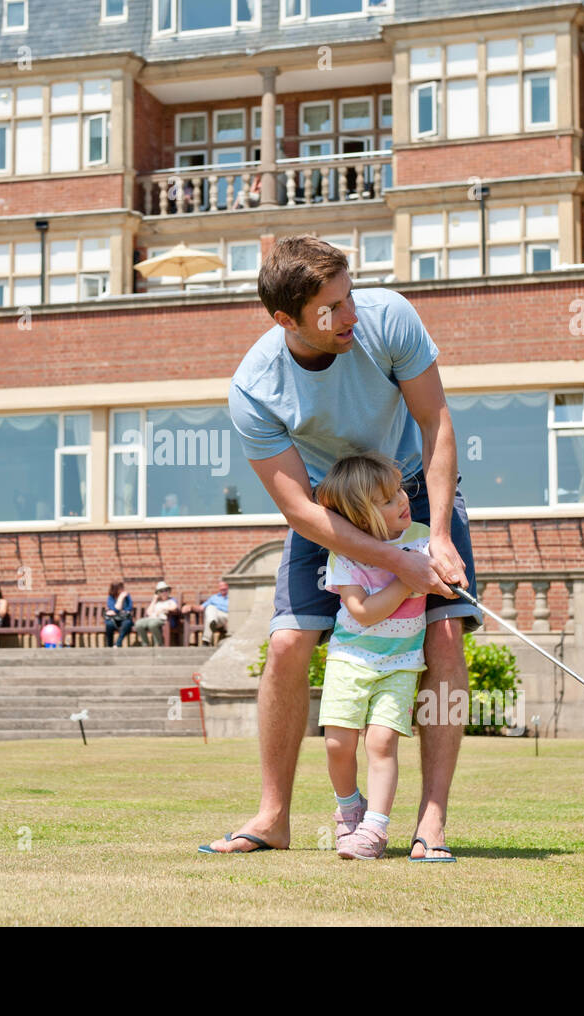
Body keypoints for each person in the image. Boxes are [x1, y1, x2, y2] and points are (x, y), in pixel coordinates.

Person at [200, 234, 480, 859]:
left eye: (349, 295)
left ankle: (430, 823)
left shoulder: (390, 319)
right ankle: (274, 816)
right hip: (331, 506)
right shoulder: (255, 388)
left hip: (412, 485)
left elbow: (435, 423)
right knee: (289, 641)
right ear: (285, 320)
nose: (351, 314)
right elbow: (299, 508)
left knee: (443, 636)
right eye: (331, 308)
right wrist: (392, 561)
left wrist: (432, 536)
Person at [314, 452, 432, 861]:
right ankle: (349, 812)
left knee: (381, 743)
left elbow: (446, 577)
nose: (402, 500)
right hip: (351, 657)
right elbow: (361, 613)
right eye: (385, 500)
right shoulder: (345, 553)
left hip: (401, 662)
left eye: (398, 490)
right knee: (336, 743)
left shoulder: (422, 537)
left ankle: (375, 829)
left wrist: (446, 574)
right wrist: (406, 578)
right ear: (361, 520)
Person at [183, 581, 229, 646]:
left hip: (226, 616)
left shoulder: (232, 596)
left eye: (224, 586)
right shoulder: (214, 597)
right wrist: (191, 606)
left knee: (209, 619)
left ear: (228, 586)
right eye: (221, 586)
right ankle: (212, 623)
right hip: (215, 616)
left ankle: (206, 641)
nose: (222, 588)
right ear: (218, 588)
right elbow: (201, 608)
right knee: (210, 607)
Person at [135, 582, 179, 646]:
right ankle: (145, 643)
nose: (164, 592)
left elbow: (174, 607)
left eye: (166, 590)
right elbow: (149, 612)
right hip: (152, 618)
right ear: (158, 593)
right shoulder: (156, 601)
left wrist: (164, 609)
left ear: (169, 591)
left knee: (152, 624)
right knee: (138, 623)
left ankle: (159, 643)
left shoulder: (171, 600)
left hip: (163, 619)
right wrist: (154, 599)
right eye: (161, 591)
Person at [103, 581, 134, 648]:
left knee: (127, 623)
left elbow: (129, 608)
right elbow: (115, 609)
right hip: (113, 619)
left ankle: (118, 643)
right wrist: (120, 598)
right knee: (109, 625)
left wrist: (118, 611)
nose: (123, 590)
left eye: (122, 588)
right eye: (121, 588)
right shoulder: (110, 598)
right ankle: (109, 645)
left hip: (124, 618)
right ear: (115, 589)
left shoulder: (127, 596)